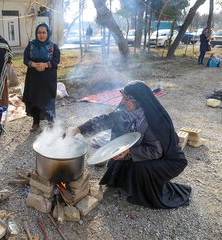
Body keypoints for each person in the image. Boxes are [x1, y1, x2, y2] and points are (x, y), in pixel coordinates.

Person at [69, 81, 191, 209]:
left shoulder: (152, 121)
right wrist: (79, 129)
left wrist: (129, 152)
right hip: (143, 151)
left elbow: (156, 151)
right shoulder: (127, 112)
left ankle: (146, 194)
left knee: (141, 168)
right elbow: (104, 120)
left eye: (126, 99)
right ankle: (129, 181)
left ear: (138, 100)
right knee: (116, 163)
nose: (122, 102)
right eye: (123, 98)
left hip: (167, 160)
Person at [22, 23, 61, 132]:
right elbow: (25, 59)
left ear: (47, 33)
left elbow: (56, 60)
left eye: (44, 32)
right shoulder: (31, 45)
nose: (41, 35)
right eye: (39, 32)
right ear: (36, 33)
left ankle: (51, 122)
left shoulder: (53, 46)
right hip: (34, 78)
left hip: (48, 78)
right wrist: (33, 64)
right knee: (35, 99)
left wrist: (45, 65)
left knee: (48, 99)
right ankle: (36, 122)